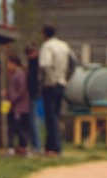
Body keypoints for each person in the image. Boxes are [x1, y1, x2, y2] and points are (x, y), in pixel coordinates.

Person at [39, 24, 73, 156]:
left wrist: (48, 81)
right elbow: (73, 63)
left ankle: (55, 148)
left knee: (50, 116)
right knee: (56, 114)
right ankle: (50, 147)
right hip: (61, 82)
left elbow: (45, 65)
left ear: (44, 34)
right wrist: (66, 78)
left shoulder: (47, 46)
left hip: (50, 84)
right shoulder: (64, 45)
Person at [3, 54, 31, 156]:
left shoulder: (20, 74)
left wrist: (11, 99)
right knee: (12, 128)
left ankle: (25, 148)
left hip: (19, 107)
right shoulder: (14, 74)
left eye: (9, 64)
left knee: (19, 128)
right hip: (14, 107)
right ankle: (12, 148)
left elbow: (21, 90)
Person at [25, 43, 43, 155]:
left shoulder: (36, 64)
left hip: (33, 95)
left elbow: (34, 81)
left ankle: (37, 145)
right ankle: (35, 144)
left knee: (33, 121)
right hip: (32, 95)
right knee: (31, 121)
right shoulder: (32, 63)